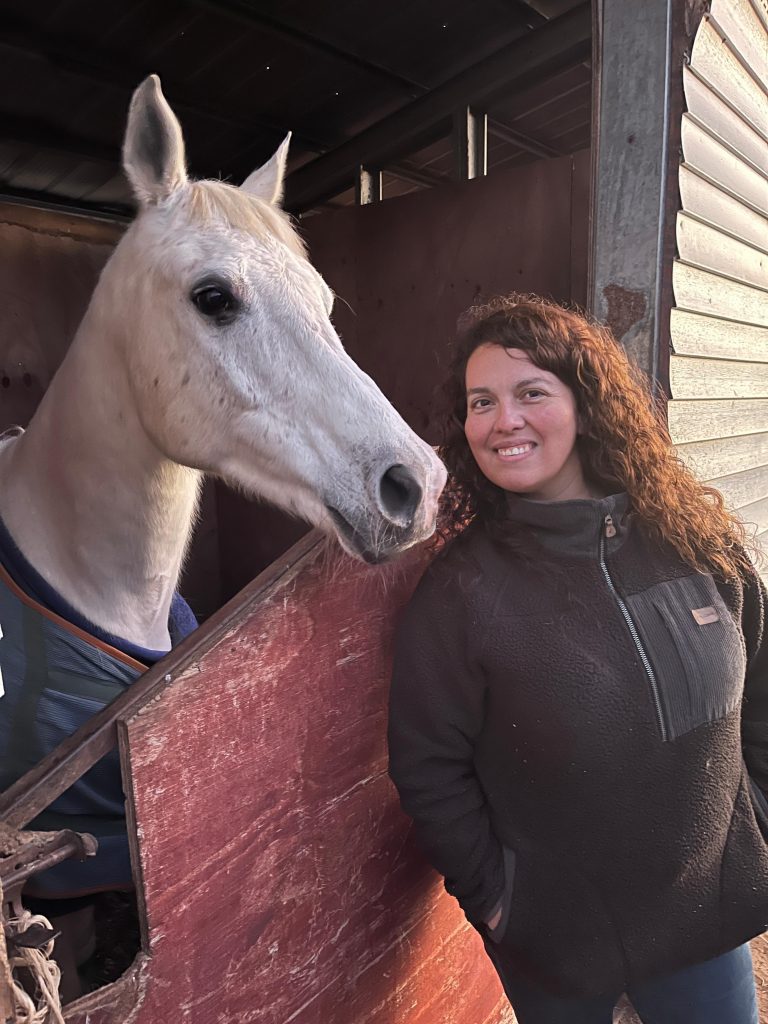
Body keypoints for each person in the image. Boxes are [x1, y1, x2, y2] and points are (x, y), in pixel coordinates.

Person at [387, 294, 768, 1024]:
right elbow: (428, 767)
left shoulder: (696, 546)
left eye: (531, 392)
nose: (503, 420)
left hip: (706, 922)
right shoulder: (461, 594)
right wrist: (502, 902)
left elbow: (765, 692)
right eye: (481, 402)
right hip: (557, 947)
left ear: (587, 407)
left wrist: (757, 827)